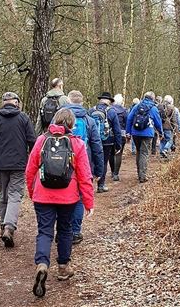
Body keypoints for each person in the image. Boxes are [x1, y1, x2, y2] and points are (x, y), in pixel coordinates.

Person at [26, 108, 94, 298]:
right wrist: (88, 202)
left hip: (43, 195)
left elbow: (30, 170)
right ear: (72, 125)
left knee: (44, 231)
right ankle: (63, 267)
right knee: (65, 230)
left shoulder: (41, 141)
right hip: (68, 197)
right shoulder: (77, 144)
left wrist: (33, 192)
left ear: (54, 121)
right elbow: (85, 176)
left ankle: (42, 264)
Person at [0, 92, 36, 247]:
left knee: (3, 194)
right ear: (16, 103)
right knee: (14, 195)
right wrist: (35, 162)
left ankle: (3, 225)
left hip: (1, 164)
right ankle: (9, 226)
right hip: (19, 164)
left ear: (3, 103)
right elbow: (32, 140)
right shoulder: (23, 118)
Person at [64, 90, 103, 244]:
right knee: (79, 198)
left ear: (68, 100)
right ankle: (75, 231)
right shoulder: (89, 120)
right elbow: (97, 146)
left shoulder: (59, 117)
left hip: (60, 164)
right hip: (83, 162)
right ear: (81, 102)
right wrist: (99, 170)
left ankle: (63, 230)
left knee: (62, 195)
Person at [126, 91, 163, 183]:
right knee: (144, 153)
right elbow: (158, 122)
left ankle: (139, 174)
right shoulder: (153, 108)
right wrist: (161, 133)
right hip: (148, 133)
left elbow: (129, 118)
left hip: (135, 132)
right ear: (153, 99)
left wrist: (128, 132)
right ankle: (143, 176)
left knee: (139, 152)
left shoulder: (137, 106)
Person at [89, 92, 122, 192]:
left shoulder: (91, 110)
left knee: (91, 161)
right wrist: (118, 144)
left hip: (92, 140)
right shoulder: (111, 111)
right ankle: (101, 185)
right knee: (103, 162)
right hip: (107, 141)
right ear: (109, 101)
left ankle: (89, 185)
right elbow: (117, 130)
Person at [109, 94, 127, 181]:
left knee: (111, 153)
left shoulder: (109, 110)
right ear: (122, 102)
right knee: (118, 153)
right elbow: (127, 122)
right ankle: (116, 174)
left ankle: (112, 171)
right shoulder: (124, 111)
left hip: (110, 134)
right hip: (121, 133)